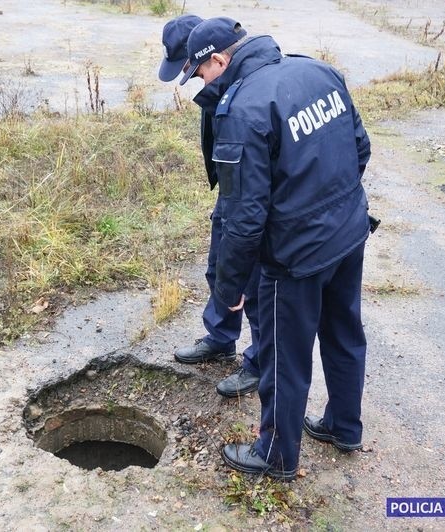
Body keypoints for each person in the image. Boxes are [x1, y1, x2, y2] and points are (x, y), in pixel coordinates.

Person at [179, 17, 372, 479]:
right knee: (345, 332)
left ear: (220, 60)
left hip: (296, 254)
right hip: (348, 233)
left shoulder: (243, 109)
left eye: (201, 74)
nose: (202, 86)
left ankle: (277, 455)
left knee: (285, 355)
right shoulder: (318, 71)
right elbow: (360, 149)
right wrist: (328, 206)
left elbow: (243, 217)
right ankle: (344, 426)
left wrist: (229, 288)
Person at [158, 15, 261, 398]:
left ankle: (259, 362)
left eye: (189, 68)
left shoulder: (244, 86)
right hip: (231, 190)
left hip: (253, 193)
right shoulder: (217, 81)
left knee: (253, 278)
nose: (190, 78)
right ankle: (220, 336)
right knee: (219, 264)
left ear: (210, 57)